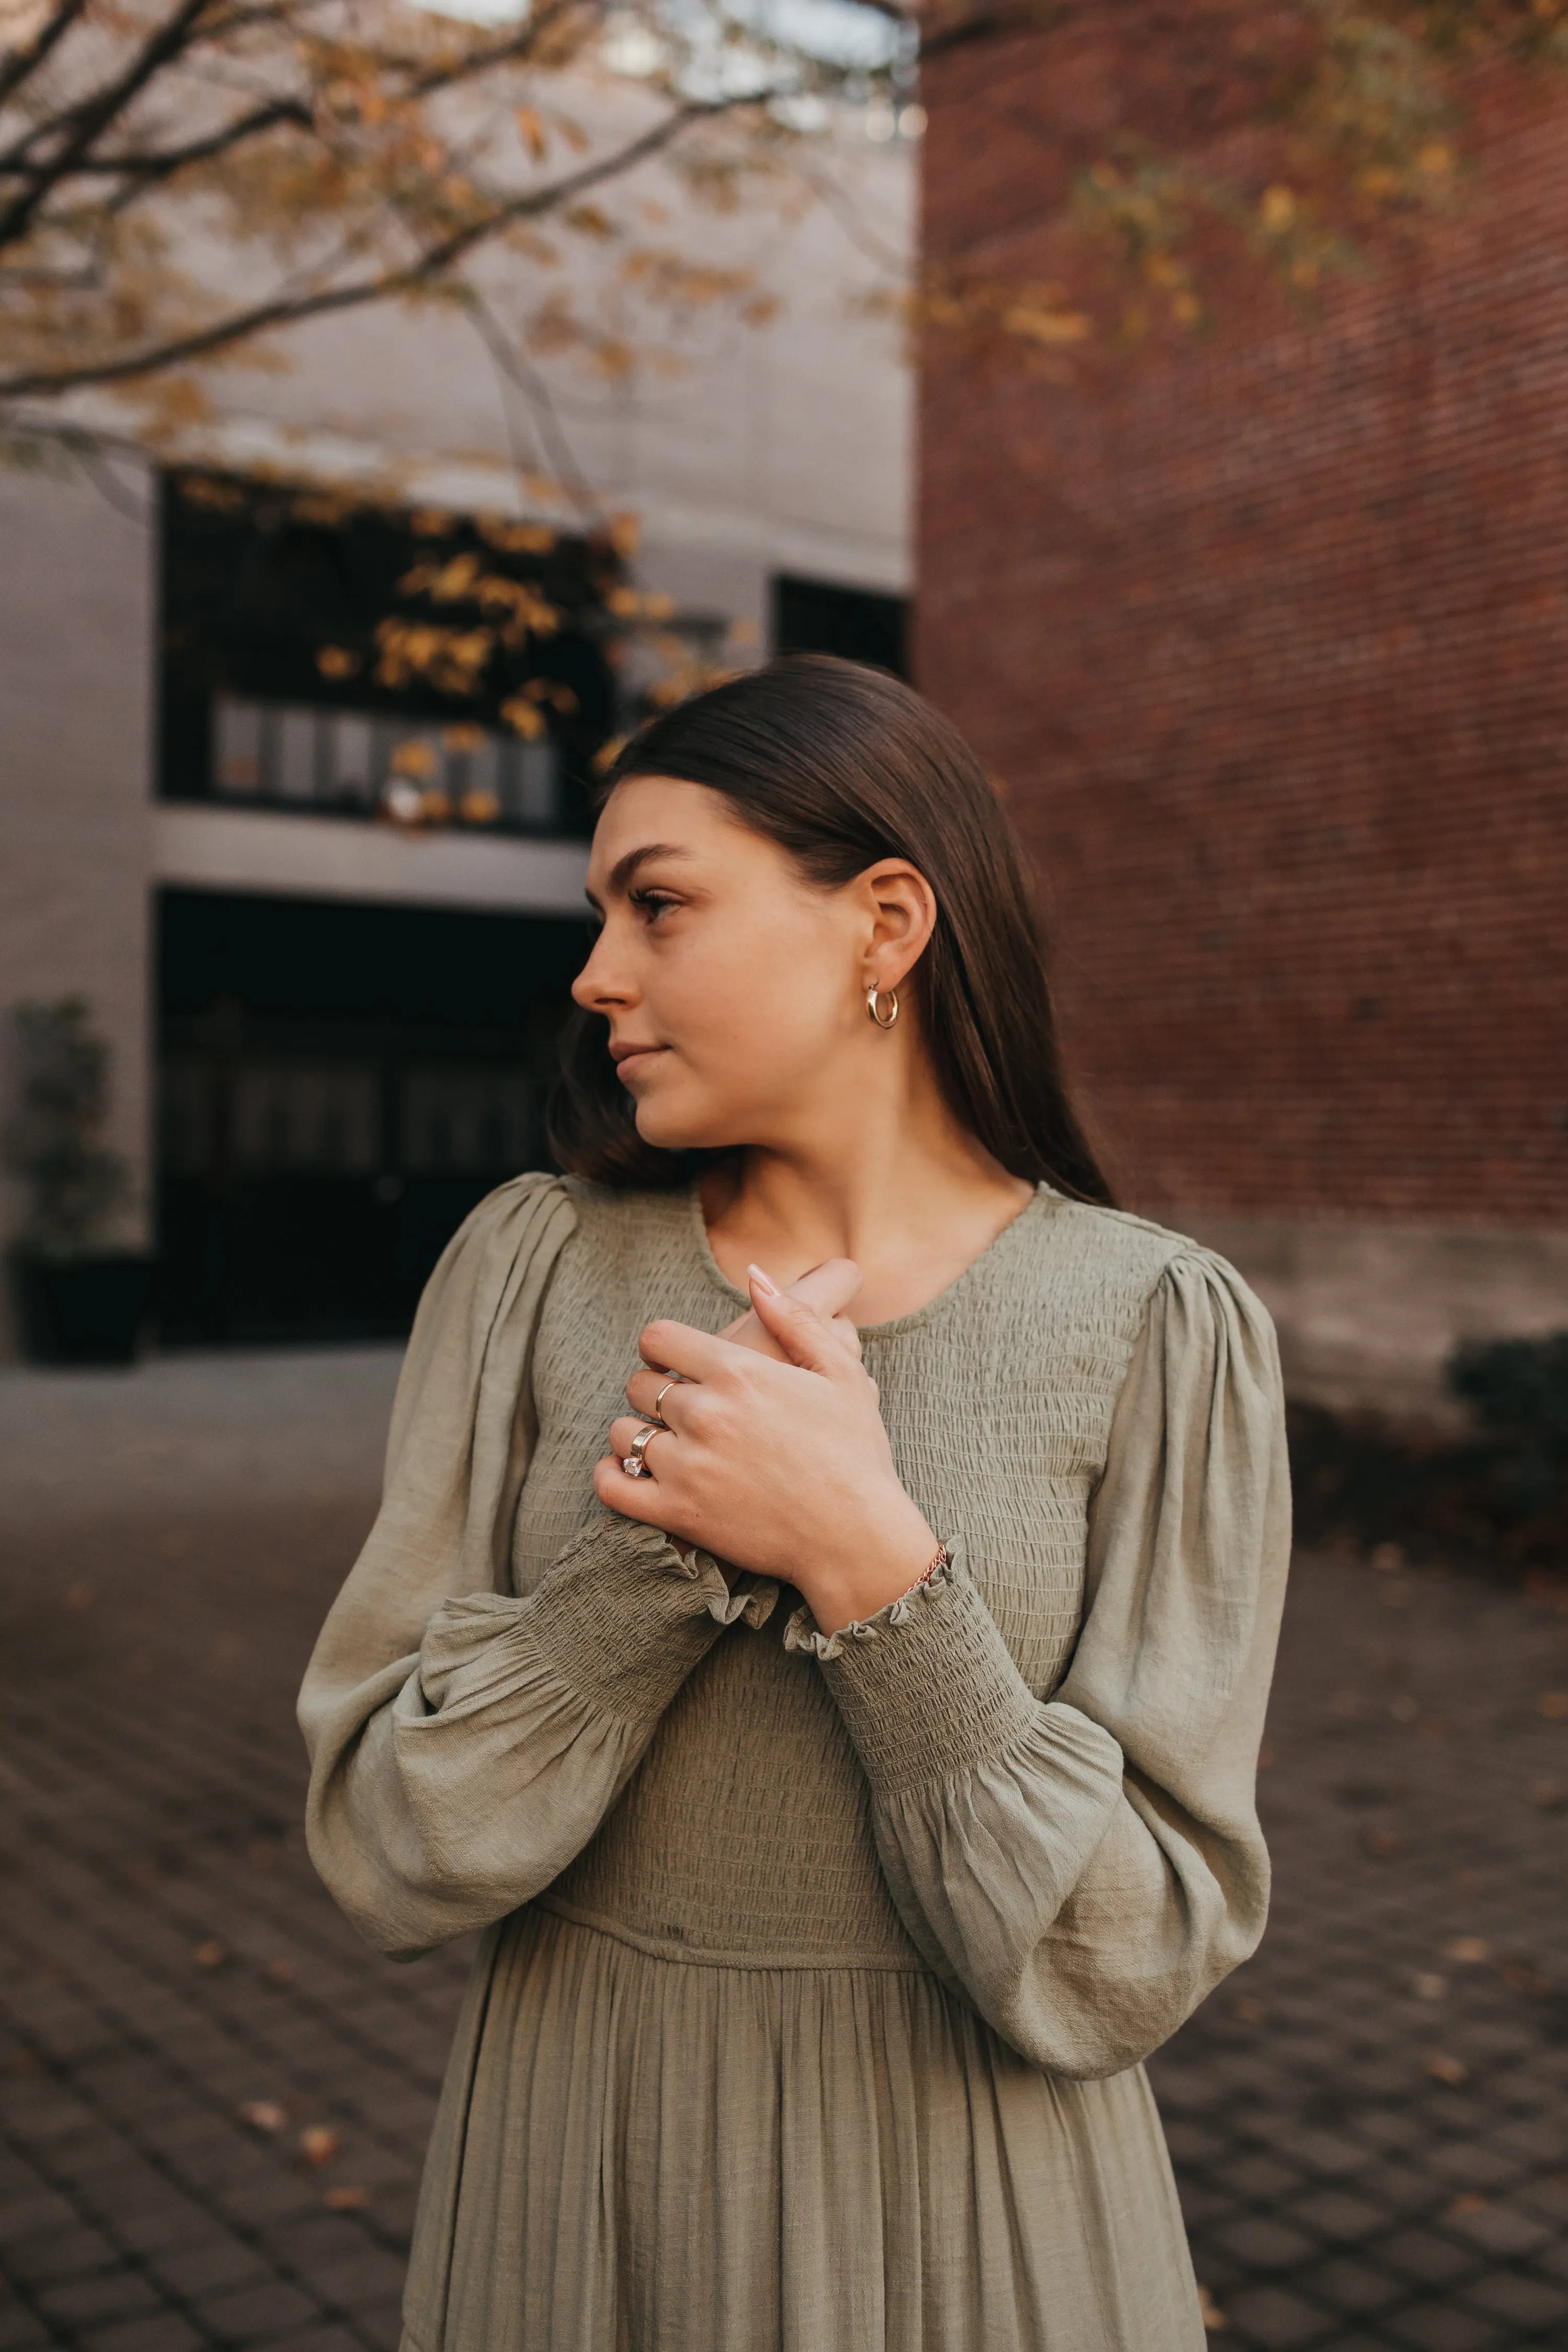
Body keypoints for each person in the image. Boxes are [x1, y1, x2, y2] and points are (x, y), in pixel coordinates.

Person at [298, 654, 1291, 2352]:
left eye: (658, 905)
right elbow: (388, 1840)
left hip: (973, 2219)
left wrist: (869, 1564)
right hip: (575, 2188)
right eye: (600, 916)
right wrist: (651, 1563)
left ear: (884, 924)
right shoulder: (527, 1267)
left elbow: (1135, 1949)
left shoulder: (1159, 1330)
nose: (596, 975)